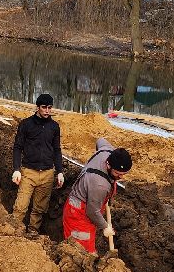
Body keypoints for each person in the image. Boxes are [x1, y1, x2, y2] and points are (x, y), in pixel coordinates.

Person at [62, 138, 132, 254]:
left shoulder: (106, 150)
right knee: (82, 252)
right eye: (117, 174)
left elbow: (100, 140)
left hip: (89, 201)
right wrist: (105, 227)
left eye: (124, 174)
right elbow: (92, 211)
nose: (121, 178)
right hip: (78, 213)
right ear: (108, 165)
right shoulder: (100, 185)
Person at [11, 93, 64, 234]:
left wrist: (59, 171)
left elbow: (57, 150)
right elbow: (17, 147)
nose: (47, 110)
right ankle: (14, 232)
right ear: (38, 107)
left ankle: (33, 233)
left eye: (50, 108)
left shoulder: (54, 127)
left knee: (39, 209)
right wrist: (16, 169)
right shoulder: (26, 124)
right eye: (44, 107)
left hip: (47, 174)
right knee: (20, 206)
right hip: (28, 172)